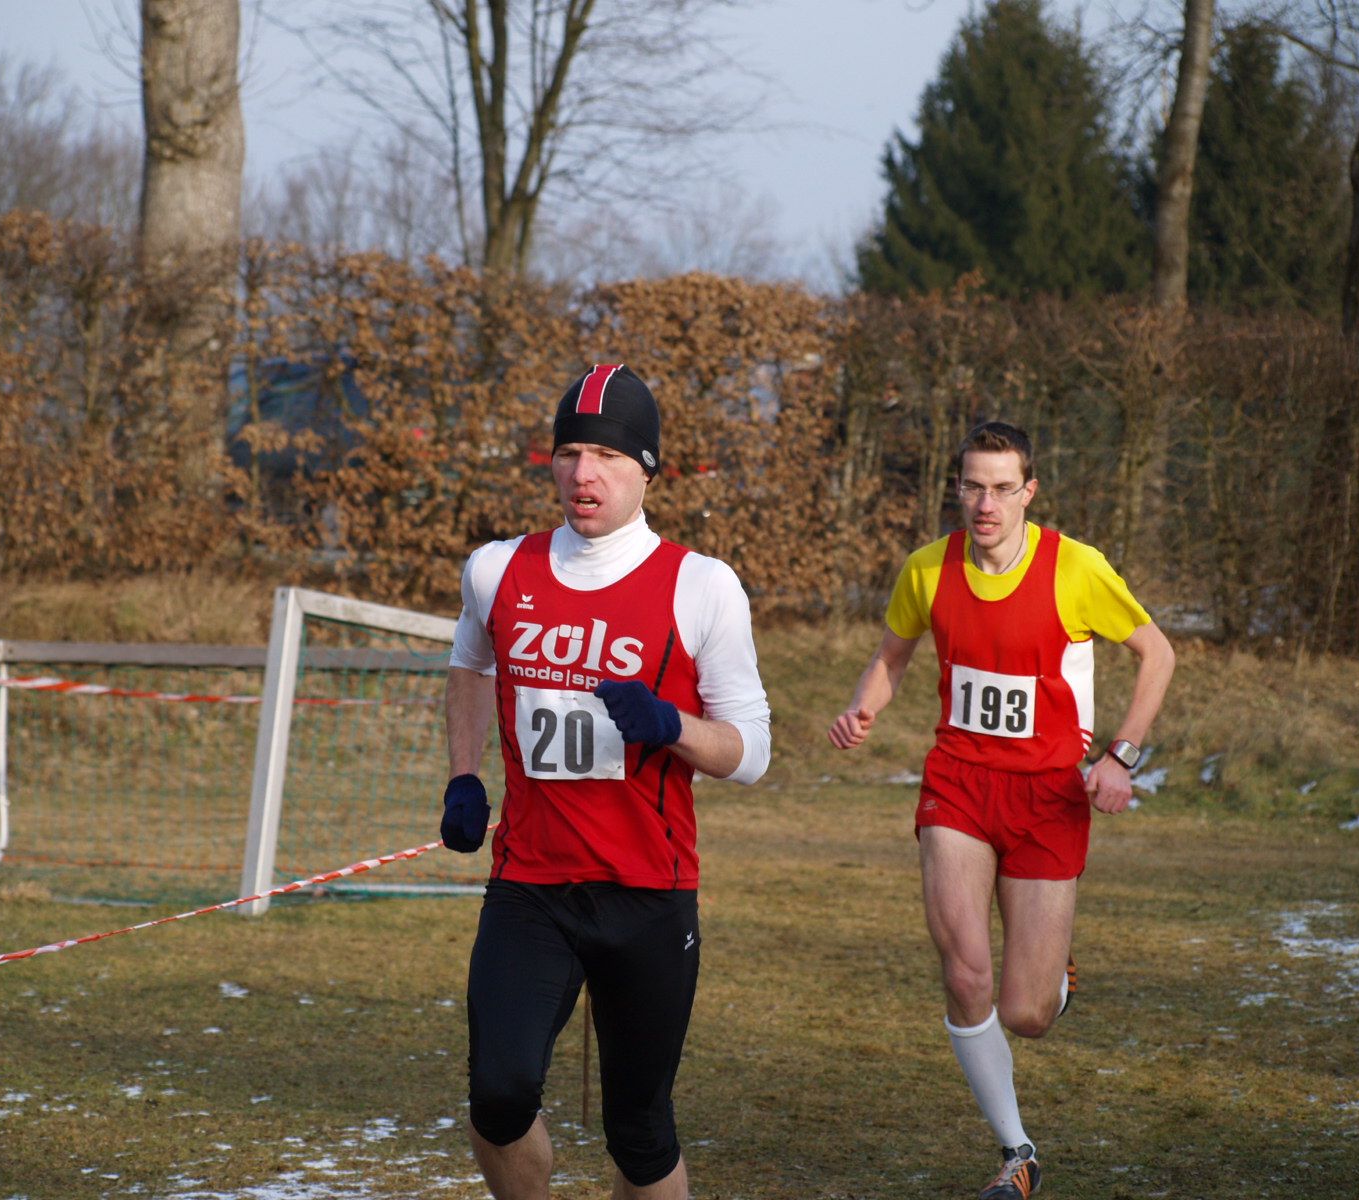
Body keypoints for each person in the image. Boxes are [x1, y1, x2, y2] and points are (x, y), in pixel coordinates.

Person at [438, 363, 771, 1200]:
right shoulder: (497, 569)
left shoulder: (701, 586)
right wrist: (463, 777)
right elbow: (470, 664)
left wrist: (672, 725)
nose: (584, 474)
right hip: (531, 886)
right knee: (498, 1097)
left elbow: (753, 752)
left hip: (648, 892)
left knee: (640, 1133)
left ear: (647, 469)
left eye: (609, 458)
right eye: (569, 454)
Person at [827, 420, 1175, 1200]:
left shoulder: (1074, 567)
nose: (986, 504)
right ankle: (1019, 1153)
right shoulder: (928, 568)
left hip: (1048, 797)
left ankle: (1054, 981)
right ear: (957, 489)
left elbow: (1158, 654)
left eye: (1002, 488)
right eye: (973, 487)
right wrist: (862, 707)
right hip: (957, 785)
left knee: (1026, 1012)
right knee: (964, 973)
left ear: (1029, 492)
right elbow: (892, 655)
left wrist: (1120, 755)